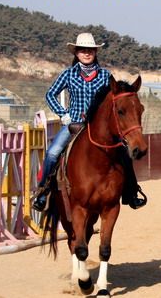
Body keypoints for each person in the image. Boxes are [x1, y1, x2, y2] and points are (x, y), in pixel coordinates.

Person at [32, 33, 147, 211]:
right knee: (53, 153)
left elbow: (116, 101)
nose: (87, 53)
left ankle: (131, 192)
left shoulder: (105, 75)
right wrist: (63, 114)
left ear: (95, 52)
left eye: (90, 50)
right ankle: (43, 191)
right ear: (76, 53)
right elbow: (50, 94)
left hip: (99, 127)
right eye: (83, 50)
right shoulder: (68, 74)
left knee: (124, 155)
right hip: (73, 125)